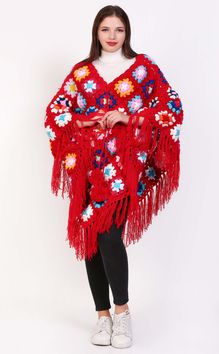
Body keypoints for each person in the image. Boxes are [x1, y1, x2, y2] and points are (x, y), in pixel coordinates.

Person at [44, 4, 184, 349]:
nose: (111, 36)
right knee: (92, 238)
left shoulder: (143, 69)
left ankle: (122, 314)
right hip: (89, 168)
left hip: (124, 169)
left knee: (107, 234)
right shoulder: (82, 72)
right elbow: (56, 111)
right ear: (96, 33)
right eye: (105, 29)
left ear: (127, 33)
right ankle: (102, 316)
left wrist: (128, 116)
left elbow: (171, 107)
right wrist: (85, 121)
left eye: (118, 30)